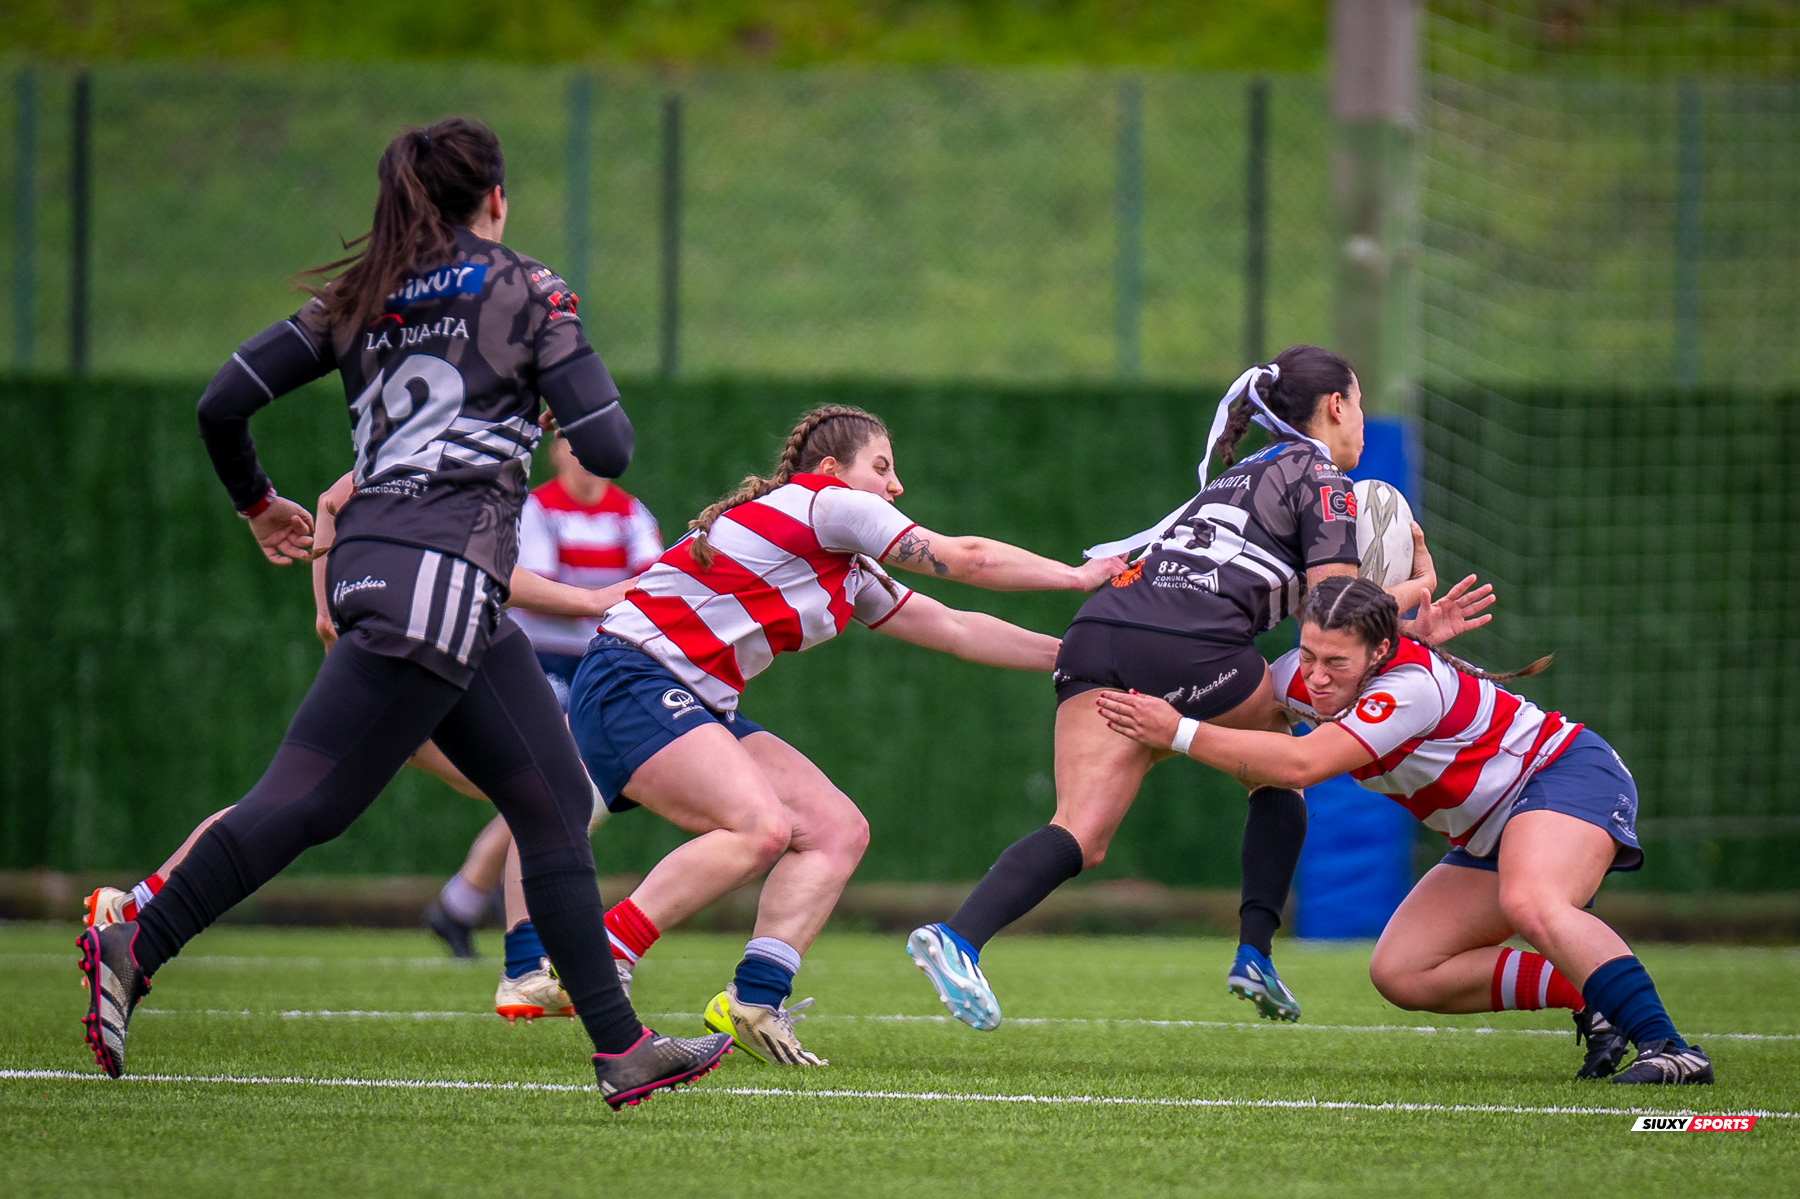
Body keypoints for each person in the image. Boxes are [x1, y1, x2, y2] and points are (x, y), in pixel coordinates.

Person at [76, 117, 731, 1108]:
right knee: (309, 797)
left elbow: (222, 402)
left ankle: (620, 1045)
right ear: (496, 199)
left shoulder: (362, 291)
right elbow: (611, 443)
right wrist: (544, 392)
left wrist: (260, 504)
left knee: (553, 801)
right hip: (443, 571)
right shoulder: (523, 287)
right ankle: (139, 934)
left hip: (404, 572)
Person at [905, 345, 1462, 1032]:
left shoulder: (1240, 474)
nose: (1363, 422)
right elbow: (1334, 615)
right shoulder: (1320, 475)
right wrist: (1418, 592)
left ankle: (956, 939)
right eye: (1360, 405)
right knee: (1282, 755)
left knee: (1080, 830)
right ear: (1336, 406)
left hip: (1099, 628)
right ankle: (1254, 951)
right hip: (1187, 646)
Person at [568, 404, 1125, 1065]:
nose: (896, 486)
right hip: (629, 675)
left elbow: (954, 628)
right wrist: (1077, 575)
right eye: (883, 467)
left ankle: (754, 1000)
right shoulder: (825, 504)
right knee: (760, 829)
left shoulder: (846, 561)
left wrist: (1076, 656)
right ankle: (597, 960)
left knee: (836, 829)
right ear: (832, 470)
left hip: (687, 697)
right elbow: (964, 559)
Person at [1097, 575, 1713, 1086]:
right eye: (1308, 654)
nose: (1314, 677)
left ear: (1379, 652)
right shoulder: (1301, 675)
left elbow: (1303, 764)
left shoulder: (1410, 686)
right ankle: (1593, 995)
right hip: (1490, 831)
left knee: (1531, 902)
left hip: (1564, 774)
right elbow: (1233, 711)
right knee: (1403, 972)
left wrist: (1176, 730)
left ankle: (1673, 1050)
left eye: (1336, 661)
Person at [85, 470, 633, 1025]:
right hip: (419, 652)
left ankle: (138, 904)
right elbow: (463, 563)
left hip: (425, 645)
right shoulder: (461, 430)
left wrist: (327, 613)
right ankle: (524, 963)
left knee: (529, 792)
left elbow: (331, 503)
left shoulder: (459, 428)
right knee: (302, 804)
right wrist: (587, 597)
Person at [422, 429, 663, 1005]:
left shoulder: (631, 513)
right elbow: (537, 585)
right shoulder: (537, 508)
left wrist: (598, 596)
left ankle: (460, 906)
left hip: (597, 662)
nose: (585, 455)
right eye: (572, 443)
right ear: (555, 451)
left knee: (558, 792)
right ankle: (512, 945)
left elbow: (650, 581)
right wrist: (600, 596)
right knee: (554, 789)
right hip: (537, 661)